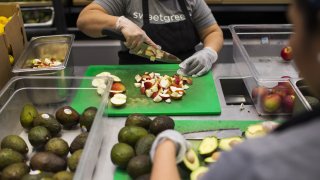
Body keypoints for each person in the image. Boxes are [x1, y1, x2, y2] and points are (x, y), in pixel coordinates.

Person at [149, 0, 320, 179]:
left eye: (296, 29)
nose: (291, 41)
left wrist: (166, 144)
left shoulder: (250, 162)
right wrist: (119, 23)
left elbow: (212, 31)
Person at [77, 0, 223, 77]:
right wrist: (120, 23)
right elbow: (85, 19)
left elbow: (212, 31)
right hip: (134, 77)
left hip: (189, 74)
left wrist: (209, 52)